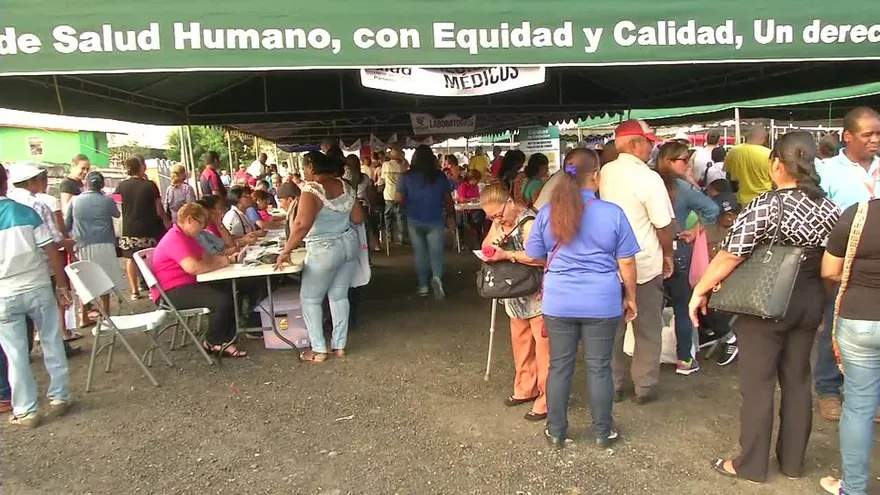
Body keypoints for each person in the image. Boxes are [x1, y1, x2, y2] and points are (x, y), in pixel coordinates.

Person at [688, 131, 840, 483]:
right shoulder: (830, 207)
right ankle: (792, 463)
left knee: (758, 385)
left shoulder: (768, 204)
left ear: (776, 164)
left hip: (766, 302)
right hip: (810, 298)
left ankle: (751, 464)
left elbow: (731, 254)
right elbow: (833, 265)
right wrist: (821, 302)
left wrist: (701, 290)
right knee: (798, 381)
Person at [525, 148, 640, 449]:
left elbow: (534, 253)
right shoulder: (612, 213)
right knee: (599, 367)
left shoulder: (548, 213)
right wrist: (630, 297)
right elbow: (627, 262)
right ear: (596, 176)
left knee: (559, 366)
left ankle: (556, 431)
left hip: (559, 302)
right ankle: (603, 432)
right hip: (602, 301)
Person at [600, 120, 674, 404]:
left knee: (611, 330)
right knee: (647, 329)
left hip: (609, 264)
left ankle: (613, 385)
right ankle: (644, 386)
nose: (652, 147)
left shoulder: (605, 172)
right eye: (649, 142)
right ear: (635, 144)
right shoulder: (649, 178)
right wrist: (668, 254)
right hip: (643, 263)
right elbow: (663, 224)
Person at [814, 106, 880, 422]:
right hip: (840, 264)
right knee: (835, 326)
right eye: (868, 134)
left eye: (878, 133)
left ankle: (871, 396)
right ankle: (828, 389)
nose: (875, 140)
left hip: (876, 268)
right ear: (848, 136)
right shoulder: (827, 171)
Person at [0, 164, 72, 428]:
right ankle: (60, 397)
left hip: (4, 294)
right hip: (38, 285)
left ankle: (26, 410)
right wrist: (62, 286)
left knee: (15, 354)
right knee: (51, 340)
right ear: (5, 182)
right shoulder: (27, 212)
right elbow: (51, 250)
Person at [274, 151, 364, 362]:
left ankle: (319, 349)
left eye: (304, 167)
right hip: (349, 244)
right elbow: (358, 217)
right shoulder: (346, 186)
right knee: (339, 296)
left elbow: (301, 224)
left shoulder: (312, 190)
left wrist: (286, 251)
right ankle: (339, 346)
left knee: (311, 299)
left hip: (323, 249)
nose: (304, 172)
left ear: (311, 167)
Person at [820, 196, 880, 495]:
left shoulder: (860, 214)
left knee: (858, 409)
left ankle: (853, 489)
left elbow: (829, 270)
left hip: (860, 320)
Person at [480, 183, 548, 422]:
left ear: (509, 203)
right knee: (521, 342)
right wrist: (493, 245)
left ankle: (547, 398)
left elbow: (540, 257)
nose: (496, 219)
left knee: (544, 349)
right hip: (514, 292)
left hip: (537, 292)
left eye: (498, 214)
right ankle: (525, 387)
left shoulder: (529, 223)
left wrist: (507, 254)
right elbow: (486, 246)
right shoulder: (498, 221)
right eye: (490, 217)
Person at [655, 141, 720, 375]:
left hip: (649, 253)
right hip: (678, 250)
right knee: (683, 307)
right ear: (669, 161)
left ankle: (648, 358)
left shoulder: (649, 183)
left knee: (651, 309)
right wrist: (696, 230)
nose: (688, 164)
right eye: (684, 160)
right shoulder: (683, 188)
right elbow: (713, 209)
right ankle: (684, 359)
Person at [151, 203, 244, 357]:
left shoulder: (187, 237)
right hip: (170, 292)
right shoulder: (175, 238)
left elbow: (206, 258)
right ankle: (213, 341)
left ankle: (227, 336)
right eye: (201, 223)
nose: (203, 228)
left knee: (231, 290)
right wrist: (223, 262)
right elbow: (193, 267)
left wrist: (226, 259)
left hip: (185, 284)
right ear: (189, 219)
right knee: (221, 299)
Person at [396, 145, 455, 299]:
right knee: (436, 252)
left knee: (420, 253)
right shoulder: (440, 176)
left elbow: (398, 199)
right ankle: (437, 277)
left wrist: (406, 209)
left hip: (414, 218)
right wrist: (451, 217)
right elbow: (448, 200)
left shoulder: (405, 177)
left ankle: (423, 286)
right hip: (435, 218)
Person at [66, 171, 126, 318]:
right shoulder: (107, 201)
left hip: (83, 244)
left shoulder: (74, 200)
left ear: (86, 183)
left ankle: (84, 316)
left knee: (84, 280)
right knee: (104, 278)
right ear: (102, 184)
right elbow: (117, 214)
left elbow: (67, 224)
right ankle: (106, 313)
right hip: (105, 243)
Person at [115, 157, 168, 300]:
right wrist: (166, 221)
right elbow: (159, 209)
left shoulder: (121, 186)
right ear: (141, 167)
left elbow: (117, 205)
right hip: (148, 228)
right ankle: (153, 289)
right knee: (150, 258)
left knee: (130, 259)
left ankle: (134, 291)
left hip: (128, 229)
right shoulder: (150, 185)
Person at [725, 125, 772, 205]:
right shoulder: (768, 154)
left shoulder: (733, 152)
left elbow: (728, 175)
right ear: (763, 138)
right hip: (763, 200)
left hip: (740, 200)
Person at [381, 148, 407, 245]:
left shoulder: (385, 165)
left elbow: (383, 179)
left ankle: (389, 237)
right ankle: (401, 238)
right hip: (399, 195)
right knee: (399, 216)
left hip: (388, 194)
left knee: (388, 216)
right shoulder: (402, 166)